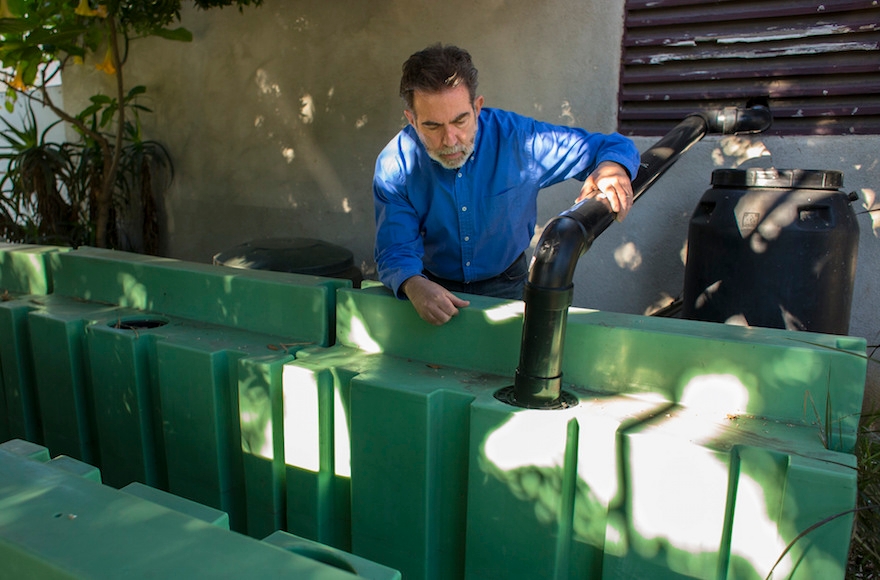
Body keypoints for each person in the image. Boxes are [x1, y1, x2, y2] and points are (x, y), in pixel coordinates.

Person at [373, 44, 640, 326]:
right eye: (432, 126)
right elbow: (395, 247)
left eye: (460, 120)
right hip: (432, 287)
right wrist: (413, 284)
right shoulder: (395, 164)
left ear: (477, 107)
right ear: (412, 120)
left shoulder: (518, 139)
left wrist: (612, 167)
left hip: (507, 284)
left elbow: (610, 144)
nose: (450, 139)